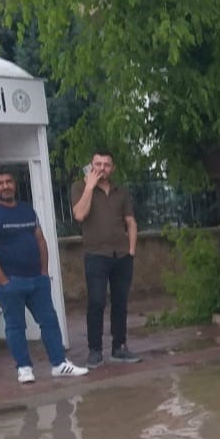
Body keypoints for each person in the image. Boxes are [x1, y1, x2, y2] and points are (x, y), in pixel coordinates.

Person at [0, 168, 89, 385]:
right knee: (16, 325)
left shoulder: (27, 210)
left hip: (37, 280)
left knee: (49, 321)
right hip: (10, 282)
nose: (5, 186)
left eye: (8, 181)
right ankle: (24, 368)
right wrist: (3, 281)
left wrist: (44, 272)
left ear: (15, 184)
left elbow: (41, 241)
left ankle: (59, 364)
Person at [71, 151, 140, 365]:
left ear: (113, 168)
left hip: (121, 255)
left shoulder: (121, 191)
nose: (102, 168)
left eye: (106, 165)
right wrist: (90, 187)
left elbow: (131, 222)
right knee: (97, 302)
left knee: (120, 303)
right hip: (96, 255)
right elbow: (80, 215)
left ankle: (119, 347)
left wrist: (131, 251)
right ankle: (95, 350)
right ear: (91, 165)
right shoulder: (79, 187)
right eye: (98, 164)